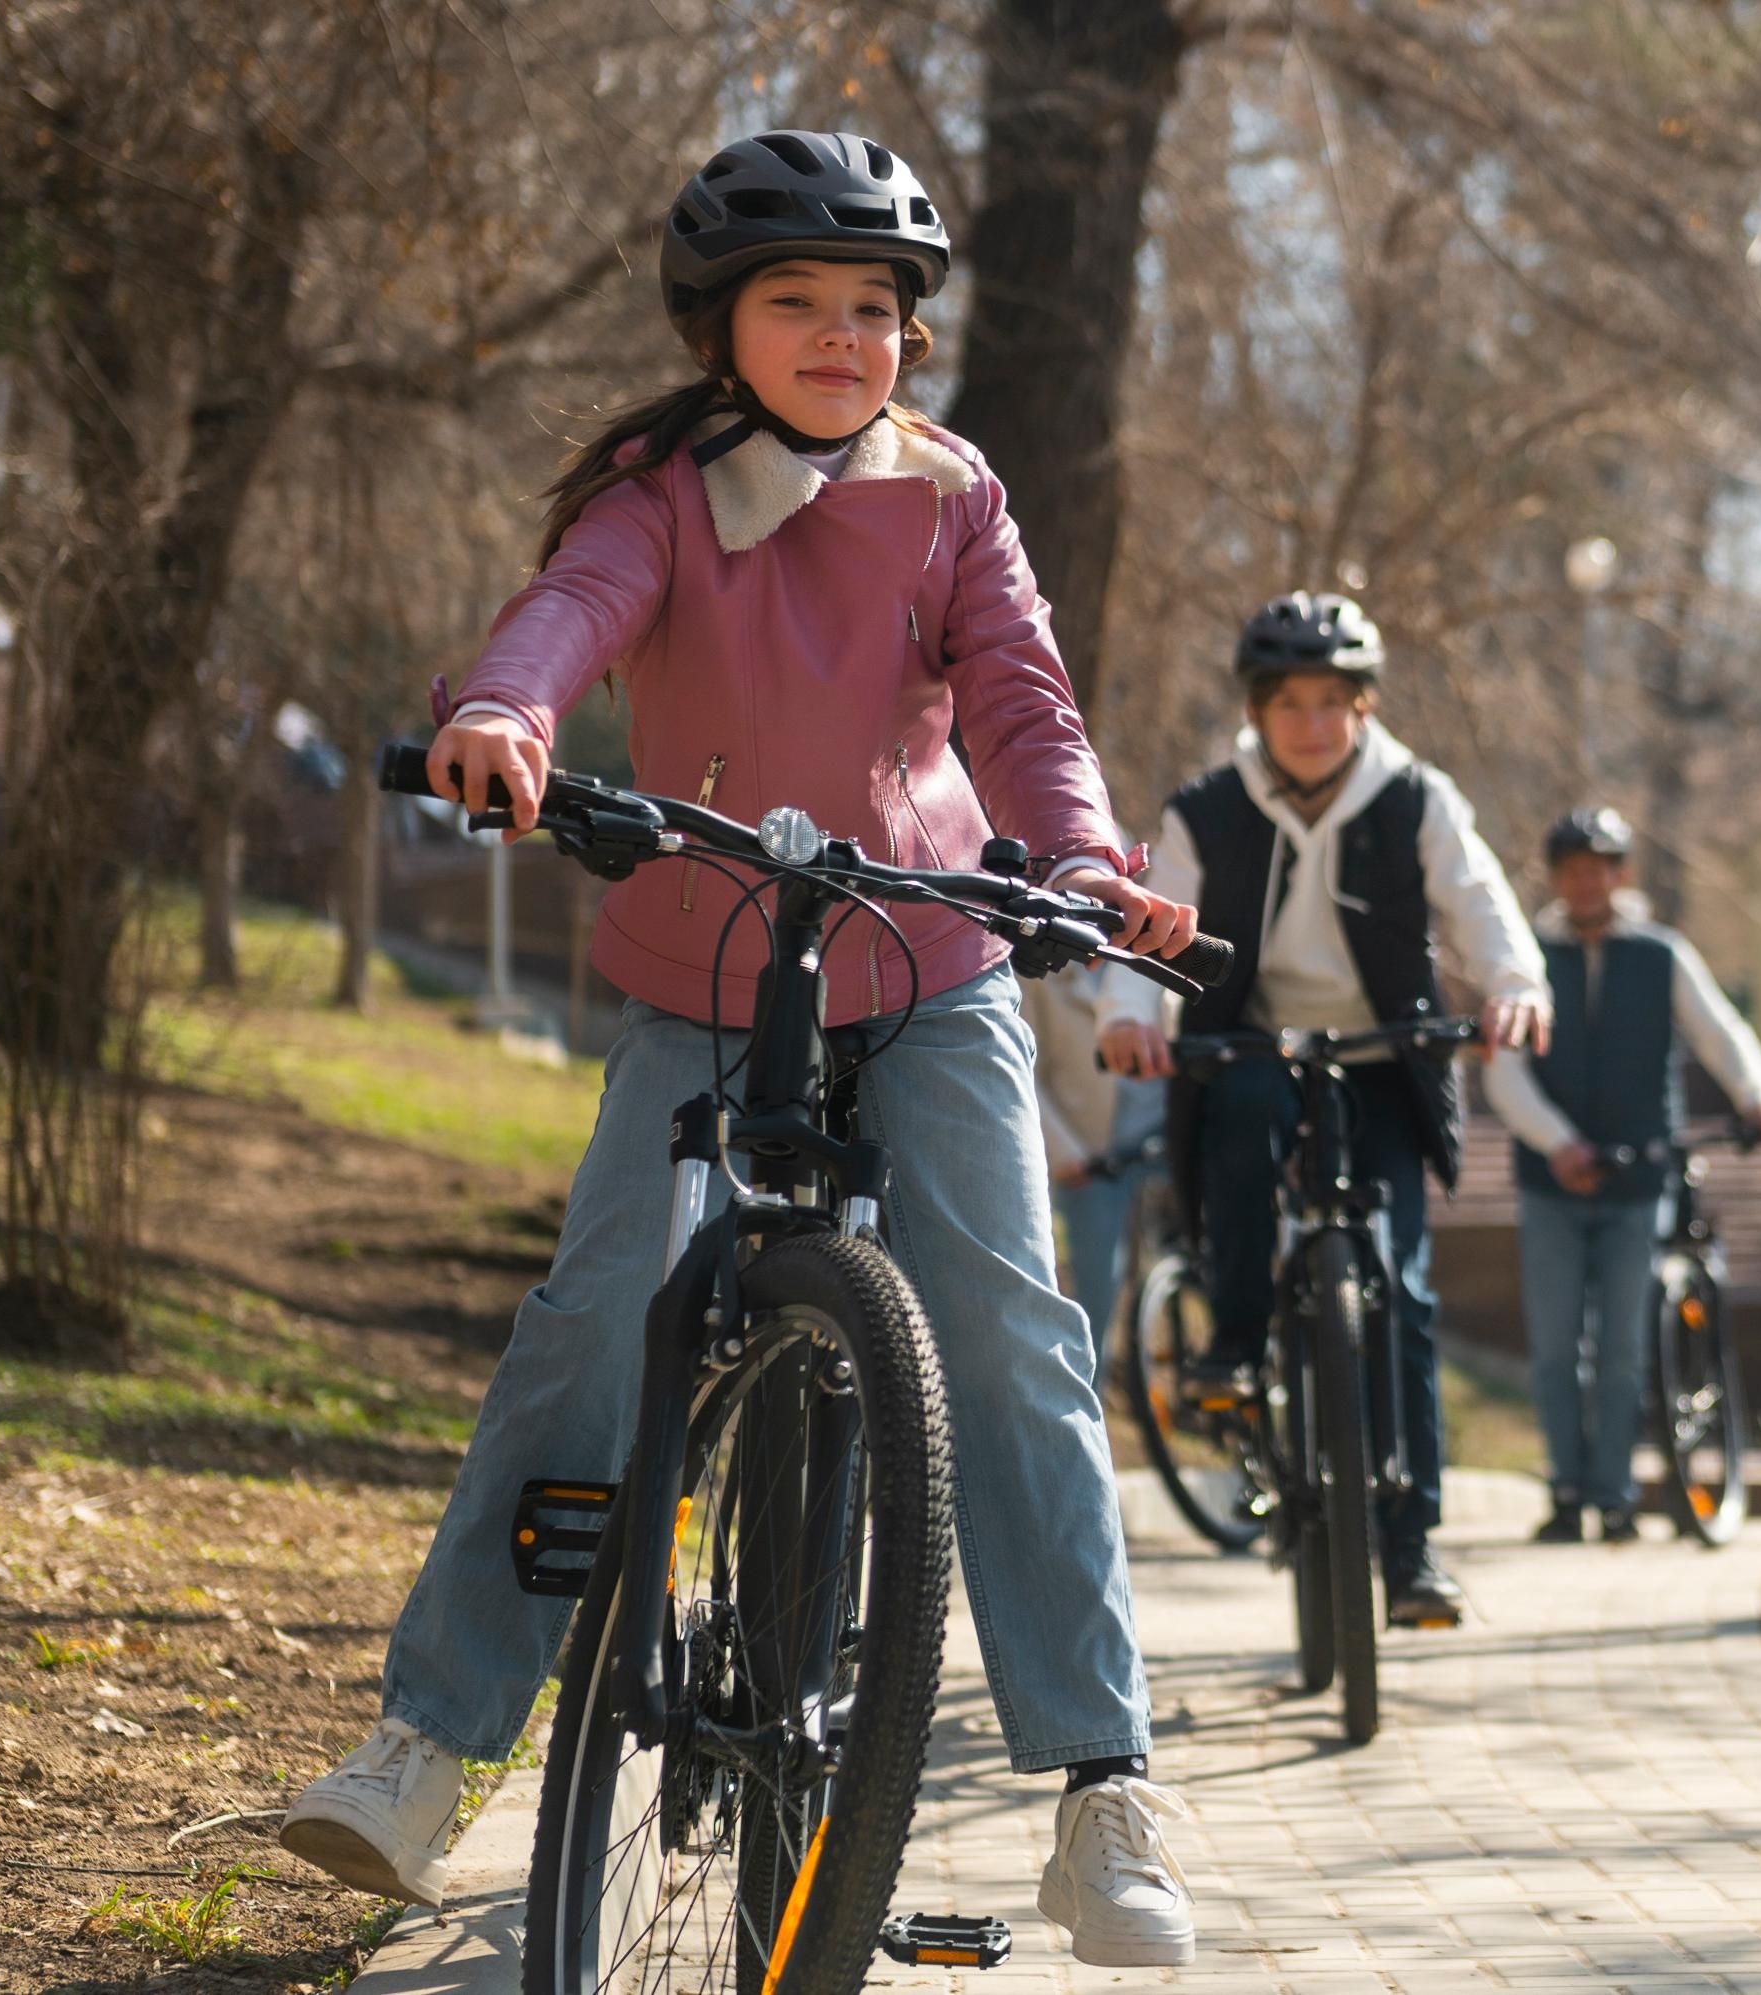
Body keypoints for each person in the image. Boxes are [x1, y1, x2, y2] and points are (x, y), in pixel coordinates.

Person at [275, 131, 1200, 1968]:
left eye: (876, 309)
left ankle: (1101, 1790)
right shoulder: (660, 487)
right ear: (722, 331)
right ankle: (425, 1745)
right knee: (599, 1304)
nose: (845, 337)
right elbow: (571, 614)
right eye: (800, 304)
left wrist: (1083, 855)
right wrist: (500, 712)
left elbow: (1019, 694)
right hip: (700, 964)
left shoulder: (949, 492)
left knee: (1010, 1326)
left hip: (923, 950)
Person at [1096, 591, 1550, 1629]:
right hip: (1248, 1040)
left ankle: (1412, 1547)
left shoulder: (1414, 798)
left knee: (1399, 1281)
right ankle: (1236, 1344)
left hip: (1383, 1053)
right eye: (1287, 702)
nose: (1310, 723)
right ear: (1255, 711)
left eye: (1331, 702)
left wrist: (1515, 983)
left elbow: (1478, 903)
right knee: (1244, 1122)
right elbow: (1152, 932)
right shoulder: (1205, 807)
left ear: (1364, 705)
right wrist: (1130, 1015)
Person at [1479, 808, 1761, 1544]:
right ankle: (1566, 1490)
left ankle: (1616, 1492)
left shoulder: (1661, 954)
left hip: (1638, 1176)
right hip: (1548, 1179)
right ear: (1556, 878)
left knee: (1626, 1343)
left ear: (1619, 874)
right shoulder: (1527, 957)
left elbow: (1720, 1032)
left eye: (1599, 866)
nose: (1585, 880)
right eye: (1571, 868)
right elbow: (1505, 1073)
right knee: (1558, 1343)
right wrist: (1558, 1143)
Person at [1022, 951, 1169, 1350]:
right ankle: (1094, 1397)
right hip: (1089, 1159)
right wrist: (1063, 1152)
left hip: (1160, 1139)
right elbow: (1023, 1071)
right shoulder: (1041, 972)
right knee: (1095, 1295)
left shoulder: (1153, 954)